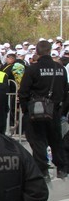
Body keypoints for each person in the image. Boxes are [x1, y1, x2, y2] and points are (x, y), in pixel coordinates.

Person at [18, 40, 69, 180]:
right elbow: (65, 92)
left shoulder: (33, 69)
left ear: (37, 52)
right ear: (49, 50)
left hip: (36, 112)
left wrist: (26, 110)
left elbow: (23, 92)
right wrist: (61, 111)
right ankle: (61, 169)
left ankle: (43, 171)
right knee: (56, 140)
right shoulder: (60, 69)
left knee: (38, 141)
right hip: (55, 110)